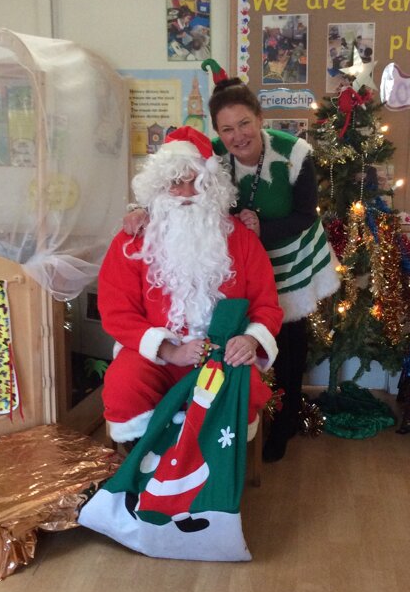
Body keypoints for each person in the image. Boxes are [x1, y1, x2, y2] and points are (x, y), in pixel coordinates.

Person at [124, 62, 340, 463]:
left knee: (288, 340)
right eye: (227, 129)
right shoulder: (213, 155)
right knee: (243, 338)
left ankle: (286, 419)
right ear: (217, 132)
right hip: (238, 257)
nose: (237, 135)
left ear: (259, 118)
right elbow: (176, 184)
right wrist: (141, 209)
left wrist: (260, 229)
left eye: (244, 124)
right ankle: (248, 412)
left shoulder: (294, 154)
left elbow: (305, 215)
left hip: (288, 255)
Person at [101, 125, 283, 447]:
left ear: (213, 189)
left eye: (197, 183)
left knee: (246, 387)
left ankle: (217, 469)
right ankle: (143, 467)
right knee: (124, 385)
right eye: (175, 183)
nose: (186, 194)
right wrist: (170, 350)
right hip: (154, 356)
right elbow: (117, 313)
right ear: (159, 188)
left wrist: (250, 340)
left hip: (221, 354)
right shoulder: (132, 241)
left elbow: (266, 305)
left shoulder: (241, 239)